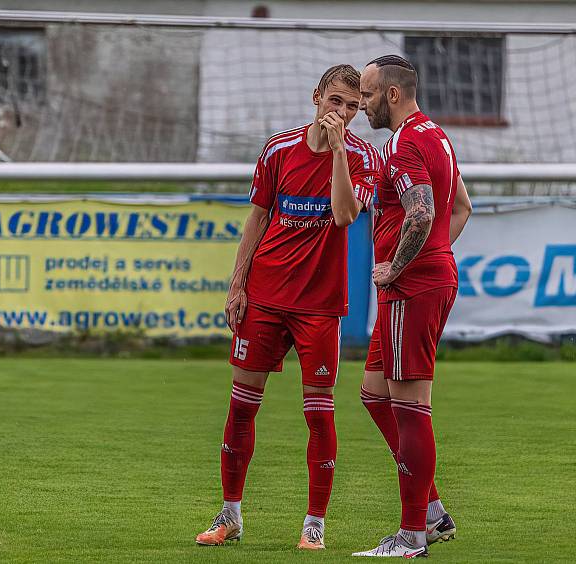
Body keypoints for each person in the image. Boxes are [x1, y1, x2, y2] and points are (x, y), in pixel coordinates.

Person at [194, 64, 379, 550]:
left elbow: (343, 216)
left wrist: (339, 150)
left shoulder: (361, 157)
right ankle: (229, 516)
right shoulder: (278, 149)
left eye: (353, 107)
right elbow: (257, 217)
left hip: (319, 306)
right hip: (266, 296)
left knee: (319, 415)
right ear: (317, 96)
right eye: (336, 101)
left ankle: (313, 525)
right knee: (240, 409)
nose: (342, 113)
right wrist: (238, 285)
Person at [353, 55, 472, 558]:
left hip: (411, 289)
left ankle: (411, 537)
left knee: (410, 408)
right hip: (424, 282)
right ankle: (431, 511)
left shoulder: (403, 143)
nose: (362, 106)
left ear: (393, 94)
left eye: (367, 95)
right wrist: (436, 258)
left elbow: (421, 213)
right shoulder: (436, 135)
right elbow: (461, 206)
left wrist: (399, 268)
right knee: (374, 394)